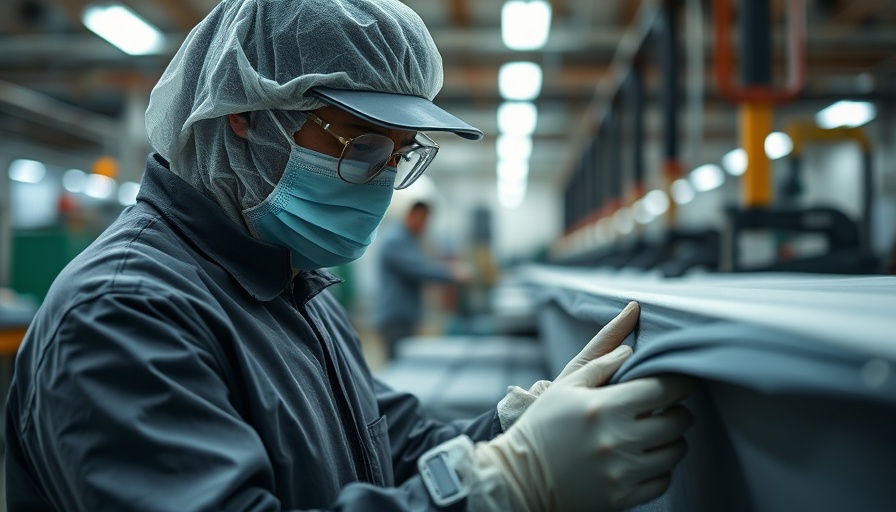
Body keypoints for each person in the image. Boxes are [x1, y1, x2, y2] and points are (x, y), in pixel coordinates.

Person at [4, 1, 695, 511]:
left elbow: (385, 443)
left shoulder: (289, 280)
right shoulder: (124, 313)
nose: (382, 181)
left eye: (399, 155)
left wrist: (517, 426)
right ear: (245, 113)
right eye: (362, 144)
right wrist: (504, 485)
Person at [373, 200, 469, 359]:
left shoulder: (408, 239)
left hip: (404, 316)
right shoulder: (395, 239)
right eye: (422, 220)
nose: (424, 226)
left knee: (403, 363)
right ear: (411, 215)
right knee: (398, 367)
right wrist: (452, 273)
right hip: (395, 317)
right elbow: (418, 268)